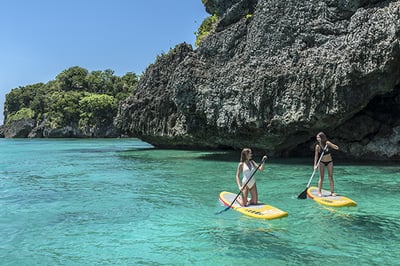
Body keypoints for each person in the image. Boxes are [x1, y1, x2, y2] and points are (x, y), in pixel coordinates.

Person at [314, 132, 339, 197]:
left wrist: (330, 144)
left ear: (322, 137)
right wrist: (315, 165)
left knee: (330, 177)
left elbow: (337, 148)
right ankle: (319, 192)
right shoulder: (317, 146)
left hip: (329, 162)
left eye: (318, 137)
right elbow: (316, 156)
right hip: (321, 162)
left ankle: (332, 192)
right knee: (321, 177)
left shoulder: (327, 143)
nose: (317, 139)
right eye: (317, 137)